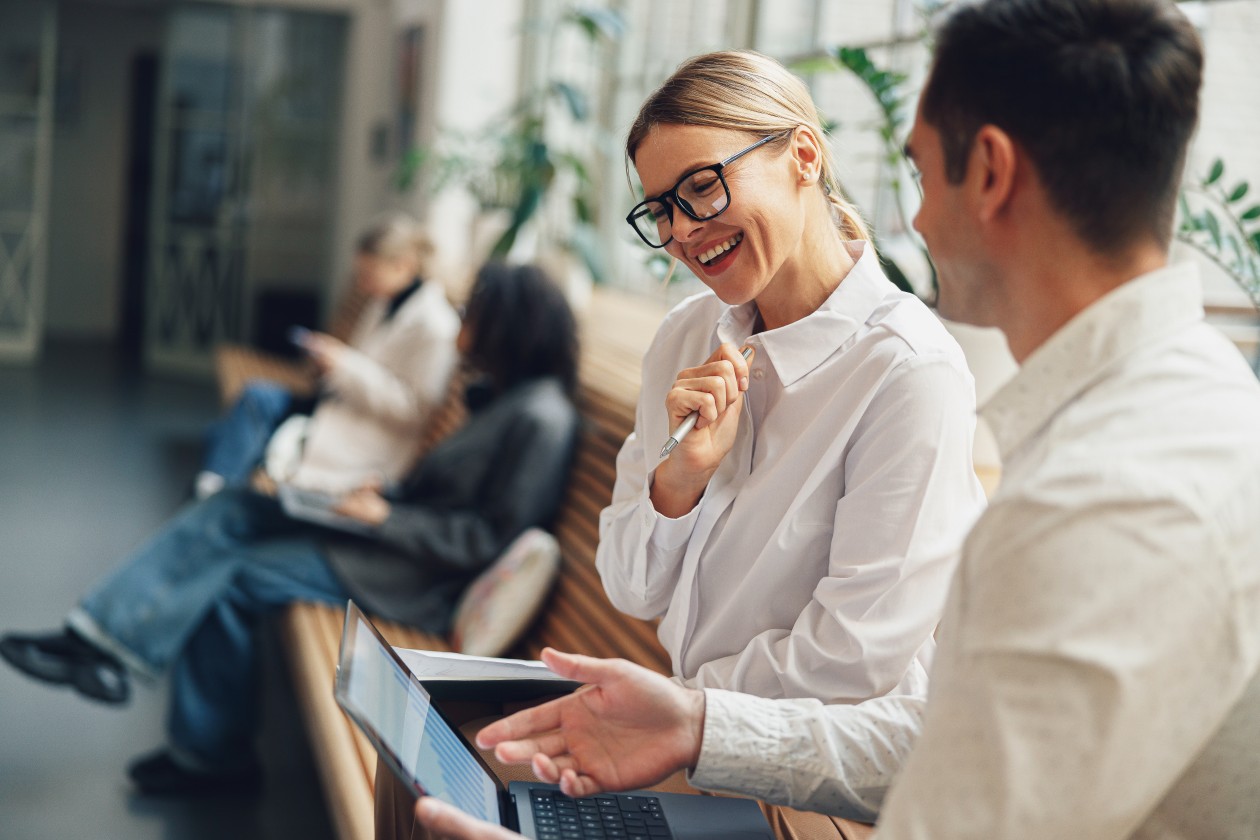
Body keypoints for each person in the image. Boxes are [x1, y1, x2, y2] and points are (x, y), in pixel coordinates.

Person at [409, 1, 1260, 838]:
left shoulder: (1108, 487)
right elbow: (956, 748)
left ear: (992, 173)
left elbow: (956, 795)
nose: (914, 220)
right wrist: (700, 727)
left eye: (923, 175)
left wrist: (703, 722)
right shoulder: (1165, 414)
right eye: (663, 209)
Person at [0, 263, 582, 797]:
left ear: (507, 325)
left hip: (411, 576)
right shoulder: (510, 399)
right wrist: (384, 497)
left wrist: (388, 516)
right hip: (388, 538)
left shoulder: (542, 418)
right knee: (233, 509)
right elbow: (453, 494)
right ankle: (95, 638)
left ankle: (210, 755)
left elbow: (488, 538)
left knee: (236, 579)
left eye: (475, 312)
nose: (463, 322)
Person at [597, 49, 984, 705]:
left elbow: (851, 657)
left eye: (702, 186)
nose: (684, 231)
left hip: (815, 785)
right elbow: (631, 588)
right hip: (696, 737)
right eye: (662, 209)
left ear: (804, 156)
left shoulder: (908, 371)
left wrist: (680, 707)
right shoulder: (686, 337)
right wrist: (678, 481)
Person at [195, 213, 460, 499]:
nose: (362, 284)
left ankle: (210, 494)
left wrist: (344, 365)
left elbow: (415, 411)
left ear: (403, 266)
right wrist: (331, 363)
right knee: (252, 403)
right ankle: (212, 490)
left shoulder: (436, 327)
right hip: (340, 406)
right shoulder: (386, 304)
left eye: (368, 274)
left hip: (369, 437)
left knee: (245, 416)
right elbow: (362, 364)